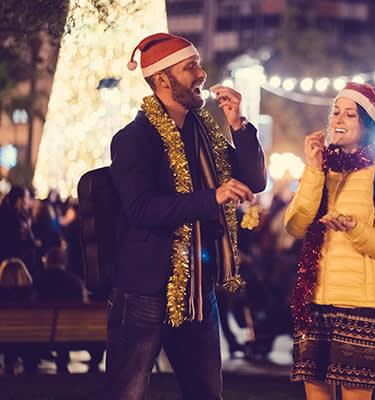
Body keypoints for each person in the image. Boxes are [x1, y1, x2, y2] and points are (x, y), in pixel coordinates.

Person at [104, 33, 266, 400]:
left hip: (198, 290)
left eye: (198, 64)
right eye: (189, 67)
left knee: (206, 394)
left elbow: (254, 180)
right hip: (144, 291)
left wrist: (238, 124)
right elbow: (142, 209)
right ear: (162, 79)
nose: (201, 74)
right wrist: (214, 197)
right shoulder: (134, 138)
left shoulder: (204, 136)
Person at [284, 82, 375, 399]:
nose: (338, 119)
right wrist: (313, 170)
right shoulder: (321, 169)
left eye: (349, 114)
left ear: (368, 125)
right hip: (315, 298)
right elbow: (296, 225)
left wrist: (354, 229)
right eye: (336, 112)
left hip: (361, 304)